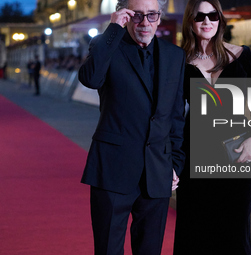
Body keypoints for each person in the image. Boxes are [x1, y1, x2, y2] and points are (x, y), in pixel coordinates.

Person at [78, 0, 186, 254]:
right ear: (124, 16)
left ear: (159, 17)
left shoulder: (174, 55)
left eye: (151, 15)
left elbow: (176, 115)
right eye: (137, 15)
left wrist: (175, 162)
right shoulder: (106, 46)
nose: (144, 22)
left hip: (157, 172)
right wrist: (113, 28)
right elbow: (90, 79)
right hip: (113, 169)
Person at [174, 1, 251, 254]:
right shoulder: (178, 60)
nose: (207, 22)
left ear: (220, 20)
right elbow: (169, 115)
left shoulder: (241, 55)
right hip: (194, 154)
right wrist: (171, 159)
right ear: (190, 21)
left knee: (234, 229)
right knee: (194, 229)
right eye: (200, 16)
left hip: (236, 152)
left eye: (213, 16)